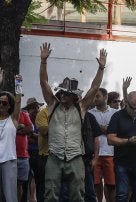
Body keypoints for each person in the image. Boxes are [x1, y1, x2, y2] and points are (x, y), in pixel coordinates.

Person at [39, 42, 107, 201]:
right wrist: (43, 62)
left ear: (74, 96)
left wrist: (101, 68)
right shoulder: (52, 105)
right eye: (62, 93)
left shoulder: (81, 107)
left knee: (78, 194)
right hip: (54, 156)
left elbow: (95, 87)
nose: (63, 96)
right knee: (51, 194)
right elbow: (44, 83)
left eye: (67, 94)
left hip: (76, 156)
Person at [89, 88, 117, 202]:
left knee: (111, 184)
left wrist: (97, 126)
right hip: (94, 154)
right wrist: (105, 129)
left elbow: (112, 132)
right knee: (95, 183)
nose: (95, 99)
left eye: (97, 96)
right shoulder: (89, 113)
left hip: (111, 152)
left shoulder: (115, 113)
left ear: (105, 98)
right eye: (94, 96)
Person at [0, 75, 22, 201]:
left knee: (10, 196)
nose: (1, 105)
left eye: (4, 103)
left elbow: (18, 101)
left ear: (9, 106)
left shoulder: (13, 119)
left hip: (9, 160)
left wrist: (18, 83)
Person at [22, 97, 44, 202]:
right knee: (25, 179)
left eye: (37, 107)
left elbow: (43, 135)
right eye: (32, 108)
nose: (36, 109)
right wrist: (35, 136)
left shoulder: (42, 119)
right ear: (28, 109)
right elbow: (25, 136)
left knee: (40, 180)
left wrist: (33, 135)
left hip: (40, 153)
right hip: (27, 153)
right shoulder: (25, 120)